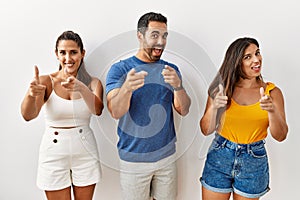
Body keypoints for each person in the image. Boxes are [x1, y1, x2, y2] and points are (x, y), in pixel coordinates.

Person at [105, 12, 191, 200]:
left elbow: (184, 109)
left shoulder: (171, 70)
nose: (161, 41)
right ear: (140, 35)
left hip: (167, 159)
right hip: (133, 161)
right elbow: (115, 111)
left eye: (164, 36)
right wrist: (127, 88)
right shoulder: (120, 69)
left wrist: (178, 86)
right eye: (154, 35)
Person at [199, 37, 288, 200]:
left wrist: (273, 111)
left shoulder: (273, 93)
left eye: (257, 53)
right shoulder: (221, 89)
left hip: (253, 160)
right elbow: (205, 130)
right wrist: (213, 107)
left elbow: (281, 136)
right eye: (248, 57)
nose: (256, 60)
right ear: (236, 62)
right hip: (220, 155)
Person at [21, 31, 104, 200]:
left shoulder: (93, 83)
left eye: (73, 52)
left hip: (85, 151)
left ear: (82, 53)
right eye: (63, 52)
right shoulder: (46, 81)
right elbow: (28, 115)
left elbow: (98, 110)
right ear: (56, 54)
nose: (68, 58)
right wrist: (31, 95)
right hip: (54, 152)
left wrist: (81, 88)